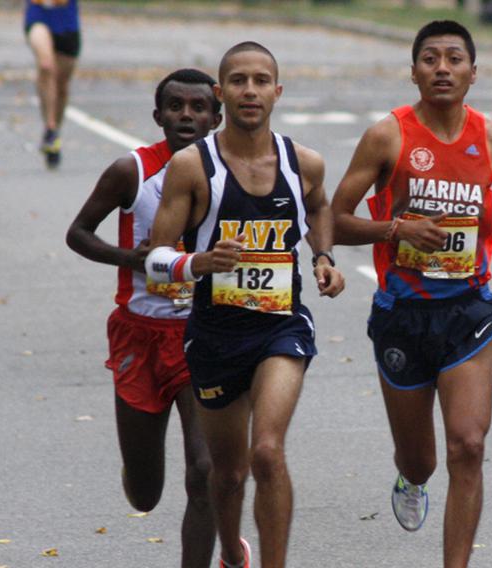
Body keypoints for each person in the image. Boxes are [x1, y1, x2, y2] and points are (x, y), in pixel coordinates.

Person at [331, 20, 492, 568]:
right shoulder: (388, 136)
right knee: (423, 460)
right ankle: (410, 476)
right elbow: (333, 218)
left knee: (468, 447)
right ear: (414, 72)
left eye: (454, 59)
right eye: (430, 59)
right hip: (402, 312)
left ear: (473, 74)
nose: (443, 68)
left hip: (468, 310)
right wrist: (396, 229)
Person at [145, 42, 344, 568]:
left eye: (261, 81)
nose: (249, 91)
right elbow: (154, 258)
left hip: (281, 327)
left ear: (277, 92)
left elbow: (320, 207)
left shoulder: (305, 162)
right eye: (238, 81)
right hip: (214, 333)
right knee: (227, 475)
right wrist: (197, 263)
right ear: (220, 92)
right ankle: (233, 554)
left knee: (267, 452)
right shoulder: (192, 167)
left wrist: (322, 256)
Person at [66, 68, 222, 567]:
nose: (187, 116)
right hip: (140, 333)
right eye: (176, 106)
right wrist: (130, 259)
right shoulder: (131, 171)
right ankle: (138, 476)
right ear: (158, 116)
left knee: (205, 470)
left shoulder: (233, 172)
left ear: (216, 117)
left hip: (203, 334)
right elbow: (79, 233)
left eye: (199, 107)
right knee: (145, 494)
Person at [24, 0, 80, 168]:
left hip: (67, 21)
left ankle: (54, 133)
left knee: (62, 86)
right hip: (38, 15)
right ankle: (50, 126)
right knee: (46, 65)